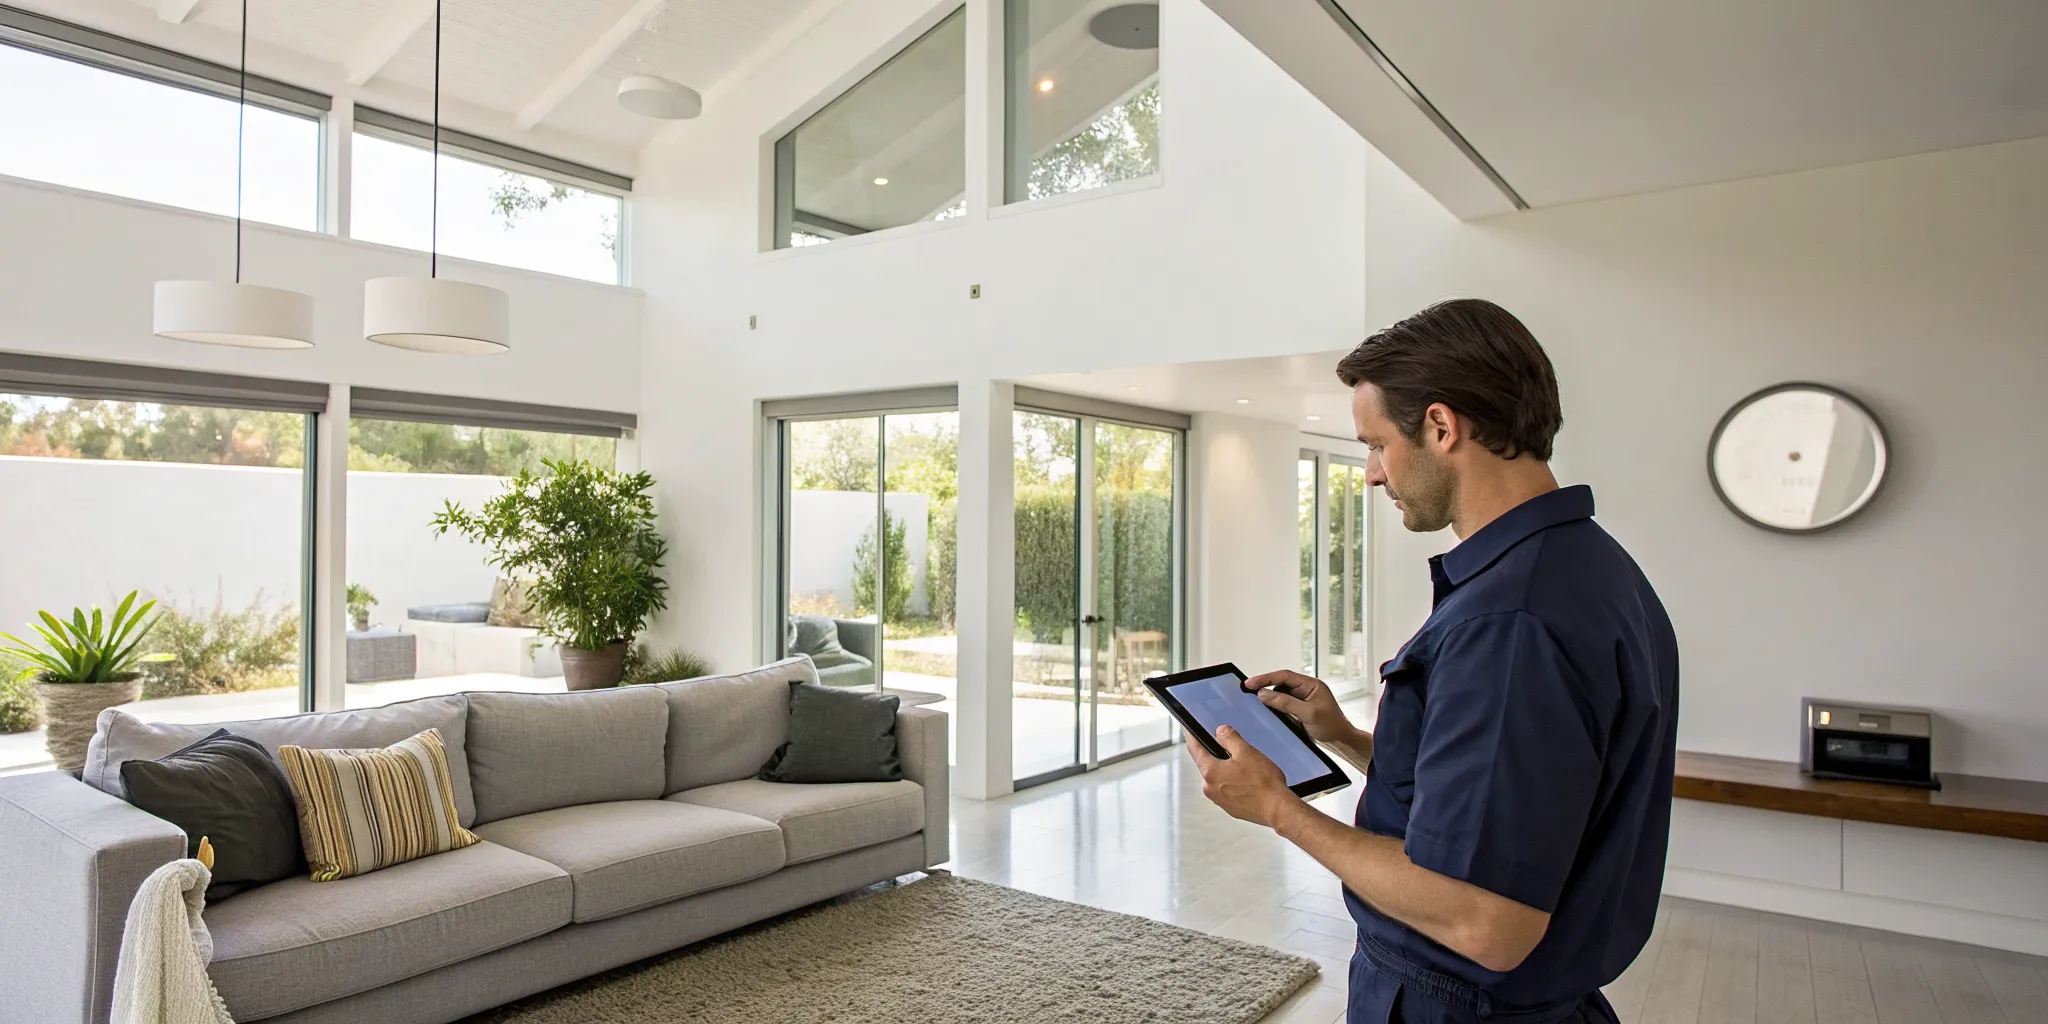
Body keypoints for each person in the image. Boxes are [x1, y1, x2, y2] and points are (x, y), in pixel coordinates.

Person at [1187, 299, 1678, 1024]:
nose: (1372, 476)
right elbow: (1490, 802)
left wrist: (1278, 810)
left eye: (1377, 445)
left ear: (1443, 428)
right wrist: (1345, 736)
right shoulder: (1588, 567)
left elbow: (1486, 923)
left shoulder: (1510, 624)